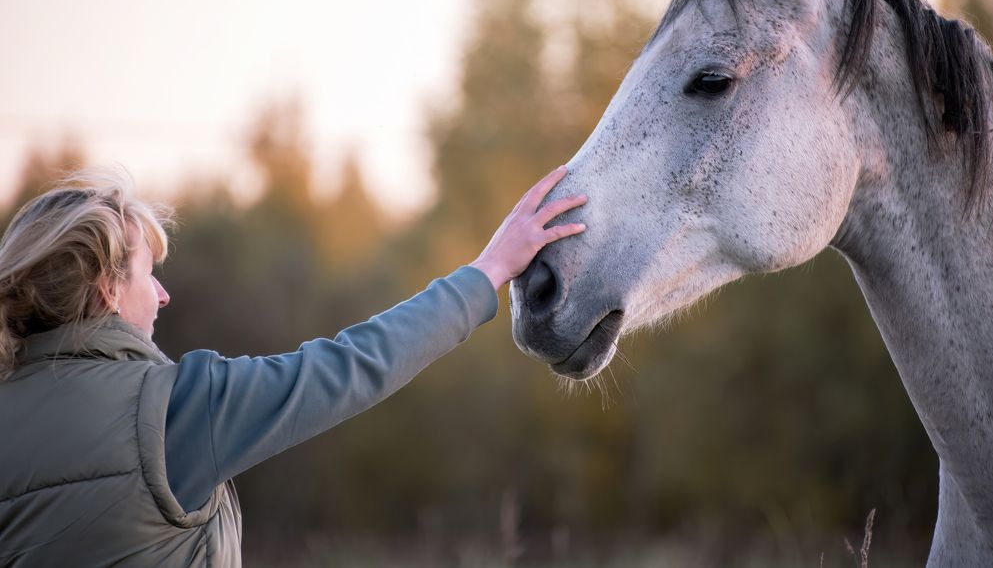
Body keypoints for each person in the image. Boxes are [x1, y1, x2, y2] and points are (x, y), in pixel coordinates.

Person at [0, 166, 586, 567]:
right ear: (106, 288)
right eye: (147, 272)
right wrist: (487, 271)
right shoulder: (174, 411)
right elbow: (354, 365)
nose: (162, 294)